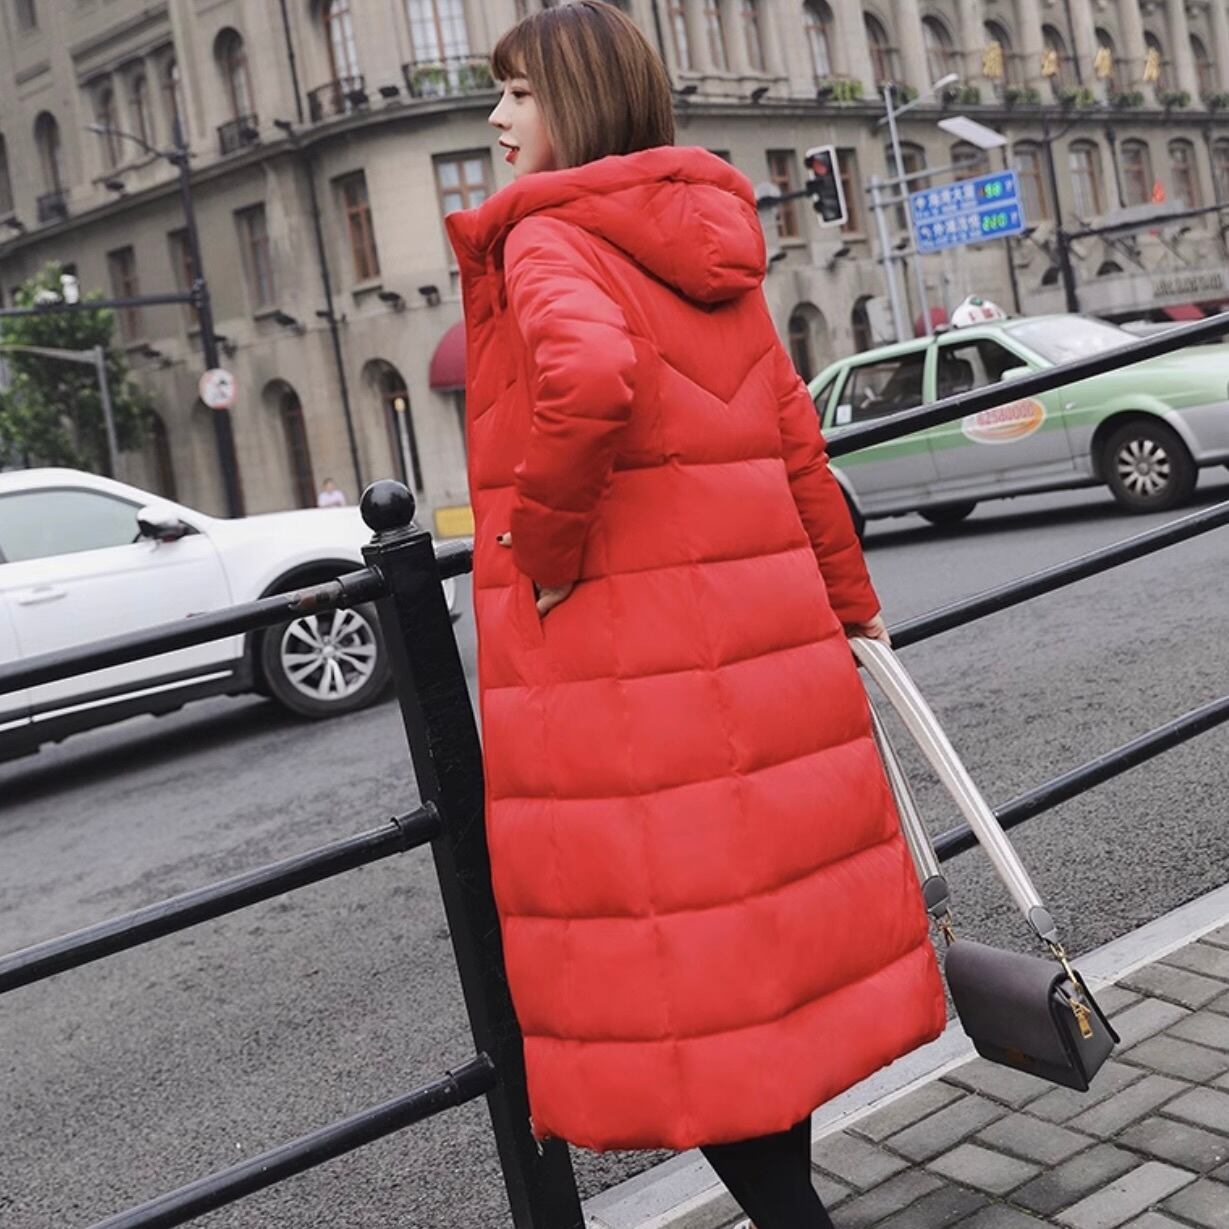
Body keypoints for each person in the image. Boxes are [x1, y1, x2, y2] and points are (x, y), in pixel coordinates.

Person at [445, 4, 946, 1226]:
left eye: (518, 93)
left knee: (680, 981)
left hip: (638, 687)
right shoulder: (704, 240)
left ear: (578, 101)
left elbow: (589, 380)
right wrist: (852, 610)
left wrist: (537, 548)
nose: (496, 118)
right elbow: (793, 440)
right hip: (766, 666)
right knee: (755, 979)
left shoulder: (548, 235)